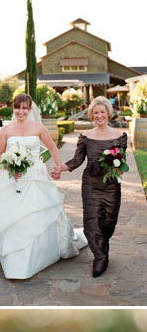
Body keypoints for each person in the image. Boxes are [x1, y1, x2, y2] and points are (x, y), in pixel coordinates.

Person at [0, 92, 87, 280]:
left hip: (35, 177)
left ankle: (37, 254)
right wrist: (9, 165)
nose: (20, 111)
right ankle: (12, 254)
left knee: (35, 213)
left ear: (30, 110)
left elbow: (53, 148)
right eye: (17, 107)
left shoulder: (38, 127)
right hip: (12, 178)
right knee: (12, 215)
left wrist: (58, 167)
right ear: (13, 108)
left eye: (24, 108)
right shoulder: (6, 130)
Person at [57, 95, 128, 277]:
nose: (99, 115)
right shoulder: (86, 136)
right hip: (91, 185)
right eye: (95, 112)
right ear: (91, 114)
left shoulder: (120, 136)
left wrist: (119, 169)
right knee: (92, 221)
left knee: (108, 221)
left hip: (111, 186)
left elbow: (122, 161)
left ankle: (102, 247)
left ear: (108, 113)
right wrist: (62, 168)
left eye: (102, 112)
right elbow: (78, 159)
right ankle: (100, 258)